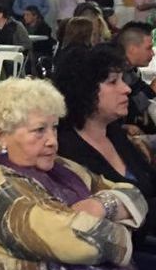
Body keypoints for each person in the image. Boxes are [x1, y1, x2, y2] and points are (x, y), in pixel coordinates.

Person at [0, 78, 148, 270]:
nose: (52, 141)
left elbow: (133, 193)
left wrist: (99, 206)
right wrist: (123, 221)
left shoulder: (59, 167)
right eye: (39, 130)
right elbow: (87, 244)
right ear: (1, 135)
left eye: (54, 128)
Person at [54, 45, 156, 252]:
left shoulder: (113, 133)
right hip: (128, 258)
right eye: (113, 82)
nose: (126, 88)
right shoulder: (65, 151)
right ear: (84, 90)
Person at [116, 22, 156, 134]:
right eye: (148, 48)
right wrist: (152, 90)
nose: (152, 53)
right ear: (133, 49)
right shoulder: (117, 72)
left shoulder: (131, 70)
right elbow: (129, 109)